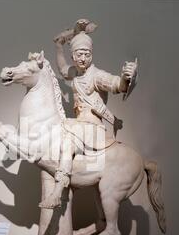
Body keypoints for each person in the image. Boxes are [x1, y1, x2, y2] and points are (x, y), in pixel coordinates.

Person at [39, 19, 137, 209]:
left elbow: (117, 85)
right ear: (73, 55)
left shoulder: (97, 75)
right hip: (79, 124)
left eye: (86, 54)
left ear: (91, 54)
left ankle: (57, 193)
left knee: (67, 143)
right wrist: (59, 47)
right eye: (78, 54)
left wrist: (126, 77)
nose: (83, 58)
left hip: (93, 127)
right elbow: (62, 69)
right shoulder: (75, 72)